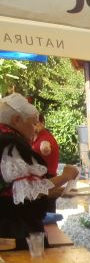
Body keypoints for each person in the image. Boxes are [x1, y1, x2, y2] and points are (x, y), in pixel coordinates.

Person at [0, 93, 78, 250]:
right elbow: (29, 190)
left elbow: (18, 191)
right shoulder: (10, 145)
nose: (35, 128)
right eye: (33, 123)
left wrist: (59, 191)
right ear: (16, 120)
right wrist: (65, 176)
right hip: (15, 228)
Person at [31, 112, 61, 215]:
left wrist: (45, 149)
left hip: (48, 179)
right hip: (40, 180)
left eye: (37, 123)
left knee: (47, 216)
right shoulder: (34, 137)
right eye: (32, 123)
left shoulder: (45, 137)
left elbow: (45, 146)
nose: (34, 126)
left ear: (43, 123)